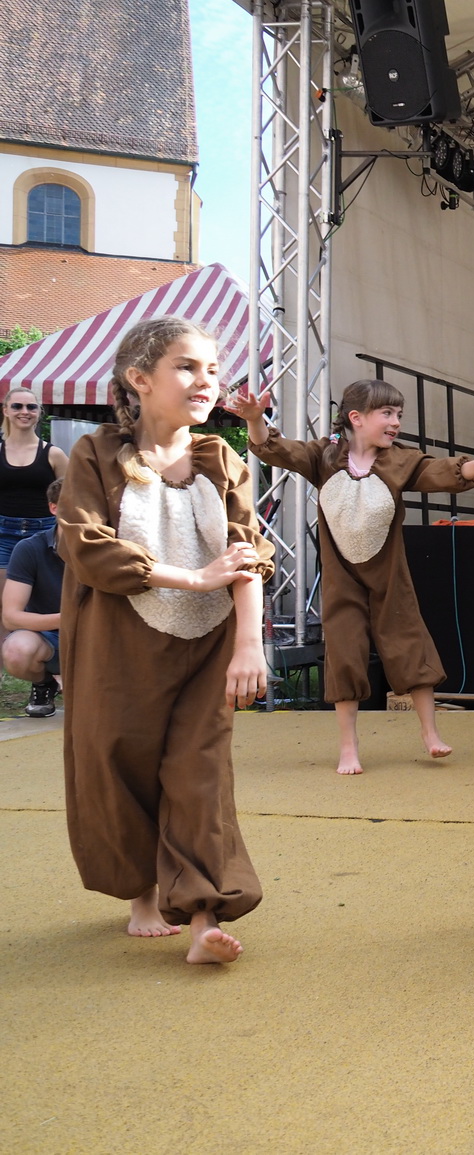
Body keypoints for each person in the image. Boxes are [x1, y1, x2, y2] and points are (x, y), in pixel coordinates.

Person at [57, 316, 272, 963]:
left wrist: (249, 643)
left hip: (209, 647)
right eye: (188, 366)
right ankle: (143, 895)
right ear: (139, 379)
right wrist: (194, 576)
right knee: (120, 761)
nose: (206, 380)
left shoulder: (220, 458)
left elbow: (248, 555)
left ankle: (204, 914)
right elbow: (86, 546)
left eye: (212, 368)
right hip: (119, 648)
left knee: (199, 774)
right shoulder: (94, 455)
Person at [228, 379, 474, 774]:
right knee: (345, 651)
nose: (396, 421)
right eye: (388, 413)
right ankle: (349, 746)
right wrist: (256, 420)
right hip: (341, 578)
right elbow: (277, 450)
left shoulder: (400, 461)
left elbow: (439, 472)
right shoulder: (324, 457)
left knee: (409, 640)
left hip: (389, 575)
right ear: (356, 418)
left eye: (399, 414)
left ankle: (430, 733)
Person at [1, 477, 64, 716]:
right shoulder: (29, 548)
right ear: (53, 508)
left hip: (98, 638)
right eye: (73, 504)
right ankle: (43, 683)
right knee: (17, 651)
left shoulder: (108, 546)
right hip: (50, 637)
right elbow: (11, 618)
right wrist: (69, 618)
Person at [0, 386, 67, 585]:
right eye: (17, 406)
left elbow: (70, 498)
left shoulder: (55, 454)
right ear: (6, 410)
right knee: (4, 605)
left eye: (31, 407)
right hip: (3, 535)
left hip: (45, 535)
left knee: (43, 602)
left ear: (39, 412)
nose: (25, 412)